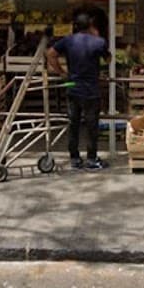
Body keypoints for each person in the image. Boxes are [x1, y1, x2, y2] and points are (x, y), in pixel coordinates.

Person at [47, 13, 110, 170]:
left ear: (75, 26)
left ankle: (74, 158)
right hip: (91, 90)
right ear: (91, 25)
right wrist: (97, 36)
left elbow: (50, 54)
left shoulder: (68, 40)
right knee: (91, 126)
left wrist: (61, 73)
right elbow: (108, 59)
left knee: (73, 124)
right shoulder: (98, 42)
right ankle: (91, 159)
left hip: (73, 87)